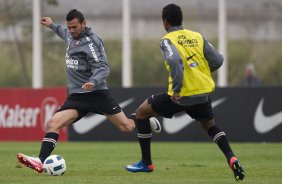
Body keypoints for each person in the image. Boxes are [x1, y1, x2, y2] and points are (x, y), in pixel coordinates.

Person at [16, 9, 160, 173]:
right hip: (76, 97)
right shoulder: (70, 35)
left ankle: (143, 119)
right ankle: (40, 162)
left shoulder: (92, 42)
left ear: (84, 24)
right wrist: (51, 25)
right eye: (69, 27)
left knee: (126, 127)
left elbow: (103, 67)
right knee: (52, 123)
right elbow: (62, 32)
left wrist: (93, 81)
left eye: (74, 27)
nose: (71, 30)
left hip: (96, 94)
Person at [125, 4, 245, 181]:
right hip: (202, 93)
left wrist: (177, 89)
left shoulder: (167, 39)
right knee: (210, 126)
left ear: (165, 22)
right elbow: (218, 60)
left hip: (180, 95)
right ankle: (231, 157)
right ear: (181, 19)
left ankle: (146, 162)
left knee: (141, 112)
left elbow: (174, 61)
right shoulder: (197, 36)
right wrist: (200, 73)